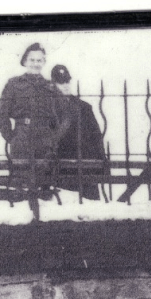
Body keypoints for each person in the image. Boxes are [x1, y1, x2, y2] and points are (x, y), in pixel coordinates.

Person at [0, 43, 72, 217]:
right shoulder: (14, 84)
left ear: (44, 62)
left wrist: (54, 139)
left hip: (45, 139)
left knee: (44, 188)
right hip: (22, 136)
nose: (36, 63)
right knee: (21, 187)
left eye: (39, 60)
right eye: (32, 59)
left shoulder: (50, 87)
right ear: (25, 61)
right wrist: (12, 137)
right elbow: (1, 116)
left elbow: (66, 116)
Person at [51, 64, 107, 200]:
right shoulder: (48, 108)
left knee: (90, 210)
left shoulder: (83, 107)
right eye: (60, 82)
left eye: (67, 81)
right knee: (63, 208)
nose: (65, 85)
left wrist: (102, 163)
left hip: (84, 164)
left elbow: (96, 136)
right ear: (53, 84)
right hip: (61, 165)